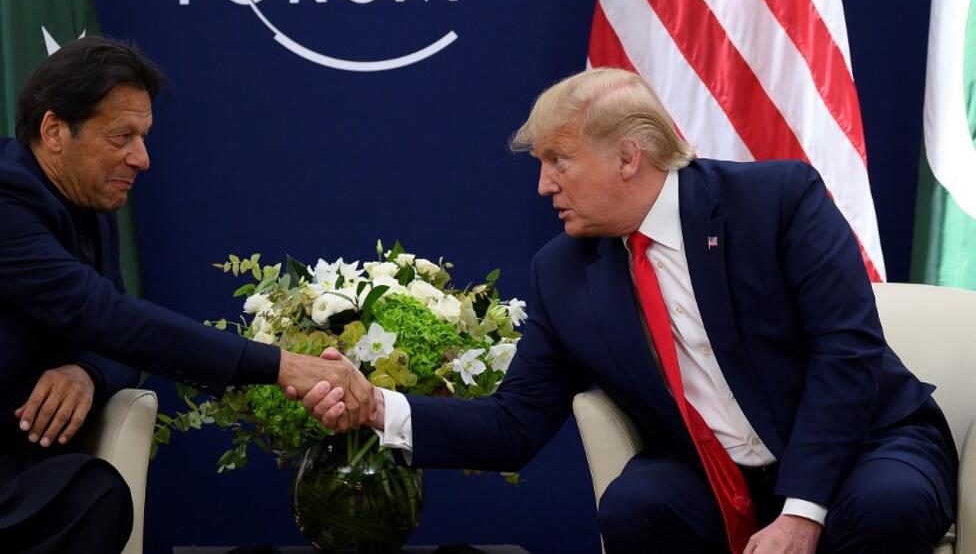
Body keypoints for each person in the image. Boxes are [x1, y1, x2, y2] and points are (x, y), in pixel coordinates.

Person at [300, 68, 958, 554]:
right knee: (637, 506)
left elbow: (846, 353)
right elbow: (514, 424)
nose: (543, 184)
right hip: (712, 472)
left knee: (887, 506)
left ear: (627, 156)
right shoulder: (562, 271)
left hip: (862, 446)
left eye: (559, 160)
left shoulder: (776, 201)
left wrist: (802, 512)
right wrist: (375, 407)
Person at [0, 37, 367, 553]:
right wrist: (281, 365)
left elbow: (113, 335)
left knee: (97, 493)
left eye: (143, 136)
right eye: (123, 137)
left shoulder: (88, 202)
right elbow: (107, 315)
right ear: (55, 130)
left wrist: (86, 370)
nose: (142, 158)